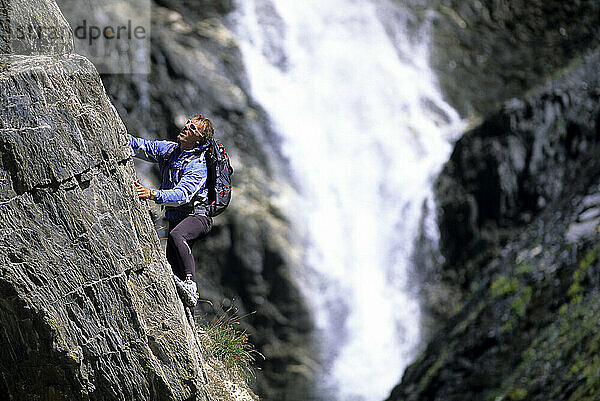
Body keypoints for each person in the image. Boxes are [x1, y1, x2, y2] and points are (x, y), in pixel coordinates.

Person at [130, 114, 215, 308]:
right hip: (176, 218)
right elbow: (141, 146)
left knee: (178, 235)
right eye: (187, 124)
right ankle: (189, 317)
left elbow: (182, 195)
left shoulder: (198, 165)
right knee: (172, 269)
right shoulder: (170, 150)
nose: (186, 127)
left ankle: (191, 285)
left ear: (199, 139)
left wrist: (152, 194)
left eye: (192, 128)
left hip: (198, 217)